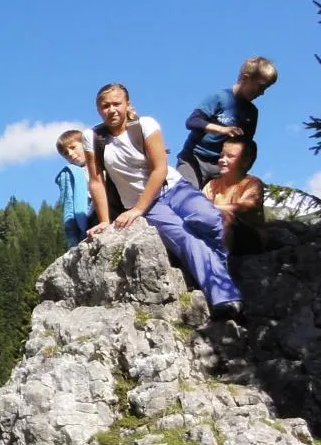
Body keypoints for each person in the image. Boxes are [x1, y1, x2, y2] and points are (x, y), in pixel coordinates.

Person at [85, 83, 243, 320]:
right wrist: (105, 220)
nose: (111, 110)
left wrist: (137, 209)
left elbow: (159, 169)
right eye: (105, 106)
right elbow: (96, 182)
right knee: (185, 238)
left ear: (127, 105)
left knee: (210, 219)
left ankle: (218, 272)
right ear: (99, 109)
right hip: (147, 204)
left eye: (116, 104)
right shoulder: (93, 138)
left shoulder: (145, 125)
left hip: (173, 187)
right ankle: (226, 300)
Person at [176, 56, 278, 188]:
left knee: (214, 206)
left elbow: (245, 146)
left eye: (266, 89)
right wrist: (222, 129)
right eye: (260, 87)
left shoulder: (252, 113)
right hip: (194, 159)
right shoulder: (220, 98)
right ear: (245, 78)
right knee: (186, 196)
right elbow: (192, 121)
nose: (262, 93)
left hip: (221, 167)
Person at [202, 137, 265, 255]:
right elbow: (201, 205)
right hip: (217, 230)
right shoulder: (212, 184)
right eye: (221, 156)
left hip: (248, 238)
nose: (222, 160)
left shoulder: (252, 183)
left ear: (245, 161)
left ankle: (223, 264)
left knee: (224, 216)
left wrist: (214, 208)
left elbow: (247, 206)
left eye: (230, 156)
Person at [54, 128, 93, 248]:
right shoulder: (71, 173)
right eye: (65, 153)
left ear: (85, 143)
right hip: (89, 221)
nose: (70, 154)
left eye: (73, 147)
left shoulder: (103, 161)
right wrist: (73, 240)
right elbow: (69, 205)